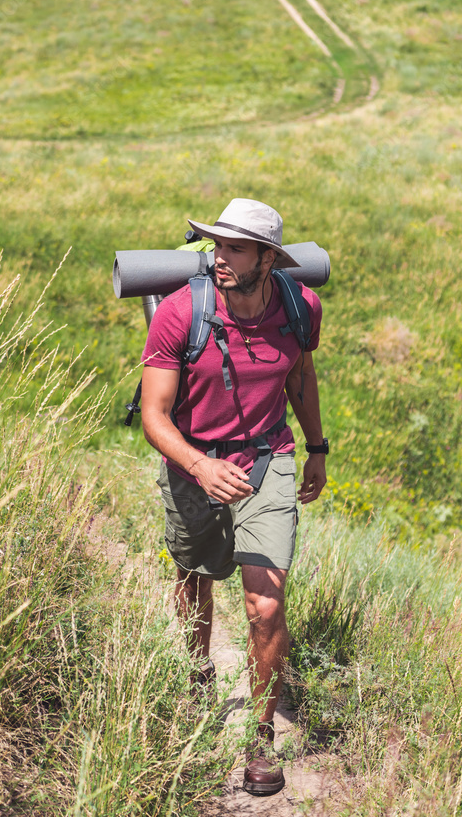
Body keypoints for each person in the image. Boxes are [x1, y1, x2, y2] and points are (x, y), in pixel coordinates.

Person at [140, 198, 328, 797]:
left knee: (266, 607)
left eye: (235, 248)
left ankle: (259, 734)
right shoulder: (178, 314)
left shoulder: (301, 308)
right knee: (195, 573)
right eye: (215, 246)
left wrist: (317, 446)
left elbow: (300, 373)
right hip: (193, 457)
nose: (219, 258)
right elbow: (154, 416)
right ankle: (196, 676)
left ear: (269, 258)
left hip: (269, 456)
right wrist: (199, 465)